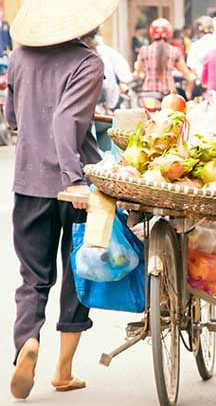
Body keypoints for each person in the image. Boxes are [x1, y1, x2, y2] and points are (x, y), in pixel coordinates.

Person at [6, 0, 117, 399]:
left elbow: (13, 120)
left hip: (28, 183)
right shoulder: (88, 62)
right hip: (77, 187)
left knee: (33, 279)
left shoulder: (19, 57)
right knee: (78, 273)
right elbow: (65, 120)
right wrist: (73, 179)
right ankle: (63, 371)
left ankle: (27, 344)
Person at [134, 18, 195, 99]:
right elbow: (186, 74)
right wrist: (188, 92)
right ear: (169, 32)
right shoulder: (175, 51)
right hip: (169, 94)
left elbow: (137, 72)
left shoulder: (144, 51)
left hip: (148, 93)